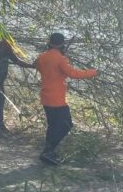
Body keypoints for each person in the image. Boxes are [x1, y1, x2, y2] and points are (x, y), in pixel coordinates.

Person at [34, 33, 98, 165]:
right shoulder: (60, 59)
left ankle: (49, 152)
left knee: (53, 126)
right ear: (62, 45)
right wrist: (93, 72)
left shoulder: (42, 57)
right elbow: (74, 74)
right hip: (57, 99)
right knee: (66, 125)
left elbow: (39, 67)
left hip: (46, 97)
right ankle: (48, 151)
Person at [0, 40, 35, 137]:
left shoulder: (8, 52)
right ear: (1, 44)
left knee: (0, 102)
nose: (9, 47)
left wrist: (32, 66)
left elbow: (18, 62)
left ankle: (0, 126)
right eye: (6, 45)